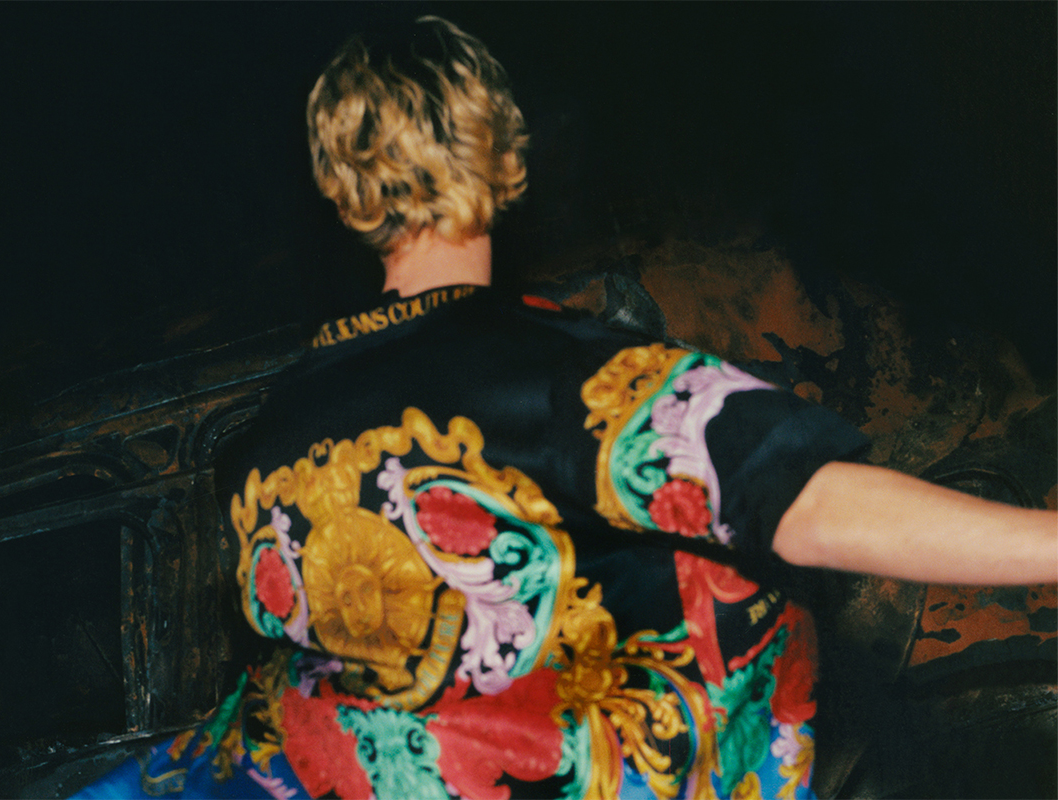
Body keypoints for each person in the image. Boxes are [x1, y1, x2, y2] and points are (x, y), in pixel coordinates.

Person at [74, 16, 1056, 799]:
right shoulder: (564, 377)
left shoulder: (260, 447)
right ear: (506, 162)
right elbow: (803, 499)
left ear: (343, 192)